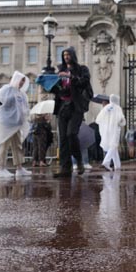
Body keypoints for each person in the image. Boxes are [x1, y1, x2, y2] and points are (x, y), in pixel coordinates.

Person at [49, 47, 92, 178]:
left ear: (72, 56)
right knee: (63, 139)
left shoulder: (82, 69)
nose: (66, 57)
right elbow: (58, 90)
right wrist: (50, 85)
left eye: (68, 54)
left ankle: (79, 161)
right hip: (62, 107)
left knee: (71, 134)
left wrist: (70, 76)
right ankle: (65, 168)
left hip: (76, 107)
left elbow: (84, 82)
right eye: (64, 55)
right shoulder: (60, 71)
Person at [0, 71, 32, 180]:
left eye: (23, 81)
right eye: (20, 80)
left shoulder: (21, 94)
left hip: (16, 124)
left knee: (17, 146)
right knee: (4, 146)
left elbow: (25, 108)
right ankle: (1, 169)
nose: (21, 83)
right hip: (6, 123)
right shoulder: (6, 89)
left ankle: (19, 168)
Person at [98, 94, 127, 171]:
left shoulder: (106, 108)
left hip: (105, 130)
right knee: (113, 145)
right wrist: (120, 123)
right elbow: (122, 120)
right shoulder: (118, 108)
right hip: (114, 130)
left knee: (113, 147)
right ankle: (106, 162)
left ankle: (117, 165)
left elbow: (98, 119)